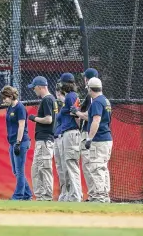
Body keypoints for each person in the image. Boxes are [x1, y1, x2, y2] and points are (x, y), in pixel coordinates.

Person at [0, 85, 32, 201]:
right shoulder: (10, 108)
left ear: (11, 96)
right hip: (12, 142)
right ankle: (27, 194)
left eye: (5, 98)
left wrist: (18, 142)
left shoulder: (20, 107)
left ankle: (18, 196)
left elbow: (21, 125)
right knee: (15, 170)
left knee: (19, 170)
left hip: (21, 142)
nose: (4, 101)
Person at [70, 68, 99, 201]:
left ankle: (95, 196)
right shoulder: (91, 96)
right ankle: (94, 195)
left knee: (90, 165)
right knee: (89, 166)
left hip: (89, 133)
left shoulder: (92, 97)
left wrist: (77, 112)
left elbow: (91, 117)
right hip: (89, 133)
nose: (83, 80)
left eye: (85, 78)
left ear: (87, 79)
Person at [27, 76, 57, 201]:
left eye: (34, 88)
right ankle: (41, 196)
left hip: (45, 139)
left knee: (43, 168)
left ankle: (45, 196)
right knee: (37, 168)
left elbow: (48, 119)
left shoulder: (47, 100)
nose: (34, 90)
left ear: (40, 87)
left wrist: (34, 118)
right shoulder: (51, 99)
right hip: (45, 139)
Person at [86, 77, 113, 203]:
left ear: (90, 89)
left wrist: (89, 138)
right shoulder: (106, 101)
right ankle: (105, 195)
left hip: (99, 139)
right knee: (103, 168)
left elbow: (96, 120)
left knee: (96, 167)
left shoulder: (96, 102)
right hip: (107, 138)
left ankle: (99, 197)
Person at [58, 72, 82, 202]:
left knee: (71, 165)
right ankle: (73, 195)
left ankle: (77, 196)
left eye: (62, 83)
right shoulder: (71, 96)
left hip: (71, 133)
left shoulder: (70, 97)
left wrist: (77, 129)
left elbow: (75, 114)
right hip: (71, 133)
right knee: (69, 165)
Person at [54, 82, 67, 201]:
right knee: (60, 168)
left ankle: (71, 194)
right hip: (57, 136)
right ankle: (64, 194)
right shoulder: (59, 104)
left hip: (64, 137)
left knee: (67, 167)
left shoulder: (69, 101)